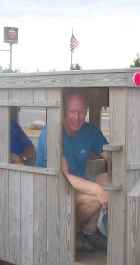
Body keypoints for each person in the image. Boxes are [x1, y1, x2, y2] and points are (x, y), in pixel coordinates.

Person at [35, 91, 109, 252]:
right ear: (62, 111)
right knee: (96, 197)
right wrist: (97, 190)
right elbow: (65, 176)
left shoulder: (90, 131)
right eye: (72, 112)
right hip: (51, 192)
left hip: (76, 188)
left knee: (108, 180)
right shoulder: (52, 133)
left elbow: (112, 158)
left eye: (82, 112)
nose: (77, 117)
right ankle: (71, 233)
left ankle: (88, 232)